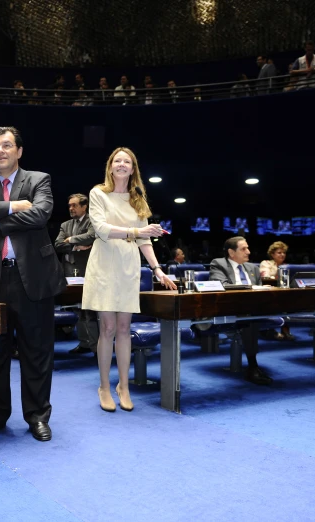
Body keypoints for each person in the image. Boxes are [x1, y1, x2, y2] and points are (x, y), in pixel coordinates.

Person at [0, 126, 66, 442]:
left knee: (37, 352)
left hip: (33, 279)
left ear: (19, 151)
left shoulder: (39, 180)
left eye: (7, 145)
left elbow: (41, 215)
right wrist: (14, 206)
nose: (1, 151)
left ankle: (37, 416)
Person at [83, 147, 176, 412]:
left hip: (128, 268)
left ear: (133, 169)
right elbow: (101, 229)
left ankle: (123, 385)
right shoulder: (98, 192)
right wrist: (137, 230)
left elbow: (145, 240)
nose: (122, 164)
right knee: (107, 329)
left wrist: (157, 269)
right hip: (103, 266)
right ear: (110, 166)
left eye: (127, 161)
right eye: (117, 160)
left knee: (124, 329)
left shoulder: (138, 200)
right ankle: (103, 386)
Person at [209, 236, 273, 385]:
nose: (248, 252)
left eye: (248, 248)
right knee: (248, 318)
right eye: (244, 249)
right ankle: (253, 366)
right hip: (229, 309)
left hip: (252, 308)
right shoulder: (218, 264)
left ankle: (253, 365)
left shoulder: (253, 268)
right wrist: (248, 289)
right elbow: (221, 285)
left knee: (251, 315)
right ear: (231, 252)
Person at [54, 193, 98, 355]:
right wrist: (75, 246)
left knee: (90, 310)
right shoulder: (65, 225)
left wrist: (71, 239)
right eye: (69, 206)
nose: (71, 208)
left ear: (84, 206)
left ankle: (96, 348)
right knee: (78, 310)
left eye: (74, 205)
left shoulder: (92, 221)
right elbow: (58, 244)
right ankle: (84, 343)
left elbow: (91, 236)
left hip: (89, 270)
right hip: (70, 272)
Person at [259, 241, 294, 341]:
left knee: (289, 303)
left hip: (284, 294)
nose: (282, 255)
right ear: (272, 254)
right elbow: (266, 277)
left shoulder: (287, 266)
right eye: (279, 252)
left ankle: (285, 331)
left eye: (284, 253)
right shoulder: (266, 263)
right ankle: (270, 331)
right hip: (269, 293)